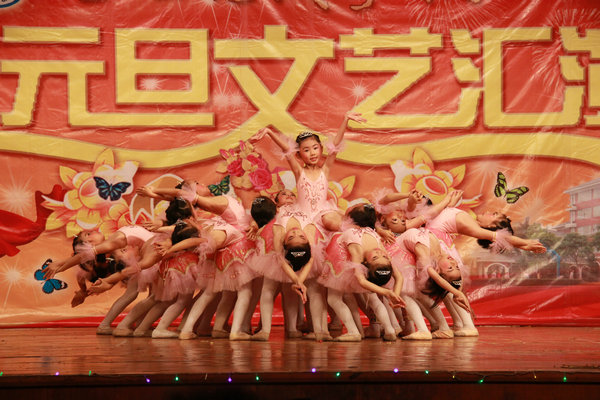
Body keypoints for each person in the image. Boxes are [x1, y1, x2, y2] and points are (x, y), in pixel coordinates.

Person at [251, 112, 366, 232]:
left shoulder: (325, 170)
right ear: (299, 155)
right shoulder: (299, 172)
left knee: (331, 221)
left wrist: (345, 120)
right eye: (306, 150)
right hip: (302, 215)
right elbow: (287, 150)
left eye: (315, 148)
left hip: (323, 214)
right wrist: (269, 132)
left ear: (321, 149)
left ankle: (361, 231)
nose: (312, 153)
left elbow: (335, 145)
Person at [318, 203, 405, 342]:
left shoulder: (351, 236)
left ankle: (353, 331)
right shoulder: (373, 234)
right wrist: (394, 294)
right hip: (365, 266)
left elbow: (361, 279)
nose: (379, 253)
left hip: (348, 266)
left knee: (333, 299)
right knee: (373, 300)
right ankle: (389, 330)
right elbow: (399, 276)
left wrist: (388, 293)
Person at [249, 198, 330, 341]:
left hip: (301, 253)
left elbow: (311, 259)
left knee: (314, 290)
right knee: (268, 288)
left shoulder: (303, 232)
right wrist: (297, 281)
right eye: (293, 236)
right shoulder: (281, 232)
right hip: (276, 254)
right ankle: (265, 331)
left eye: (295, 236)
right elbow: (280, 259)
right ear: (284, 243)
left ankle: (319, 330)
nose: (296, 232)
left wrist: (299, 282)